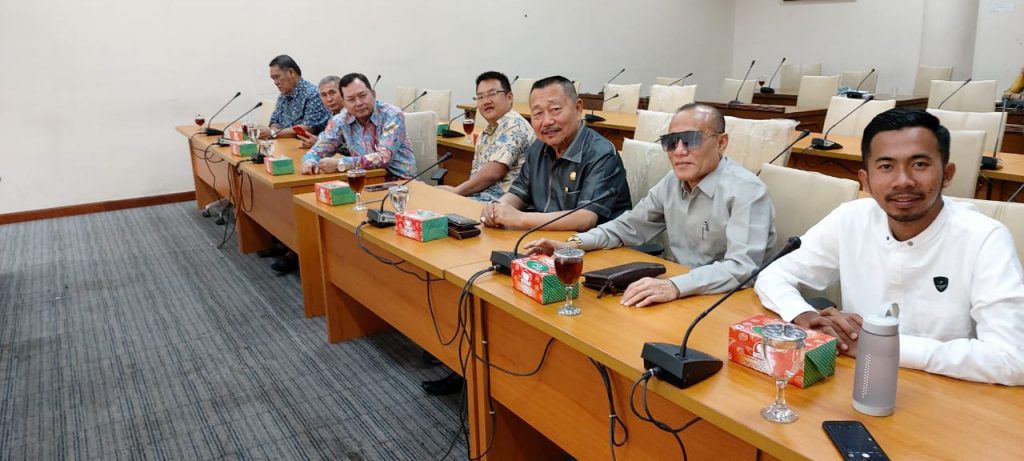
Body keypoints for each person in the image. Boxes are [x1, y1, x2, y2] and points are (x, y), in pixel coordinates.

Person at [754, 108, 1024, 386]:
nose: (903, 180)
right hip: (857, 379)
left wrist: (880, 344)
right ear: (866, 180)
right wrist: (804, 315)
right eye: (886, 167)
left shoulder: (985, 238)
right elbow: (774, 275)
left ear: (947, 174)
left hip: (950, 389)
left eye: (920, 164)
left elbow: (1013, 359)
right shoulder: (851, 218)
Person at [524, 103, 777, 308]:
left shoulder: (746, 191)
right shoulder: (672, 182)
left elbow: (742, 269)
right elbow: (629, 226)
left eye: (691, 140)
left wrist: (675, 286)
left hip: (726, 299)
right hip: (680, 289)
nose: (679, 151)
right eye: (671, 142)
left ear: (721, 142)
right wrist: (574, 244)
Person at [480, 75, 631, 230]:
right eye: (538, 113)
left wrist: (520, 218)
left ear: (578, 108)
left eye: (555, 110)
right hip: (543, 237)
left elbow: (586, 218)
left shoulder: (601, 154)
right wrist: (496, 208)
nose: (547, 121)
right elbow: (519, 193)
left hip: (592, 242)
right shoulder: (538, 147)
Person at [437, 71, 534, 202]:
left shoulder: (514, 124)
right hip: (482, 197)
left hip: (503, 203)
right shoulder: (487, 132)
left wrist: (455, 192)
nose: (486, 101)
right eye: (481, 97)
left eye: (492, 94)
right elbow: (477, 178)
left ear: (509, 97)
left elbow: (493, 174)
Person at [300, 73, 416, 180]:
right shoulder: (340, 120)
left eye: (362, 96)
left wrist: (341, 163)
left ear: (373, 94)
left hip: (400, 182)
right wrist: (310, 161)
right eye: (351, 99)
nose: (358, 103)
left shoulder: (392, 115)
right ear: (344, 102)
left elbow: (383, 158)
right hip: (364, 179)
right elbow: (318, 150)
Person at [262, 55, 330, 139]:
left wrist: (274, 133)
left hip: (306, 144)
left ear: (291, 73)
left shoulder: (313, 94)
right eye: (273, 79)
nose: (275, 83)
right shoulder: (283, 95)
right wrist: (273, 129)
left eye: (277, 77)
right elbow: (275, 120)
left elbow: (308, 128)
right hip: (284, 142)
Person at [297, 75, 344, 149]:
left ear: (343, 92)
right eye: (323, 95)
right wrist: (316, 141)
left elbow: (352, 150)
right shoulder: (331, 115)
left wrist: (320, 144)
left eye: (332, 93)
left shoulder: (352, 114)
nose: (329, 99)